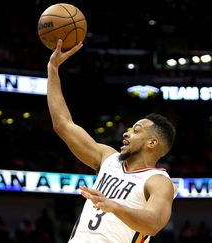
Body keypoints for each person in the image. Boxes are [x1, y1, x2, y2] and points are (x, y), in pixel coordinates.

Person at [47, 39, 177, 243]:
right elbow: (63, 124)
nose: (126, 134)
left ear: (152, 143)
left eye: (136, 130)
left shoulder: (158, 181)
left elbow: (153, 224)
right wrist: (53, 69)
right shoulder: (108, 158)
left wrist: (115, 206)